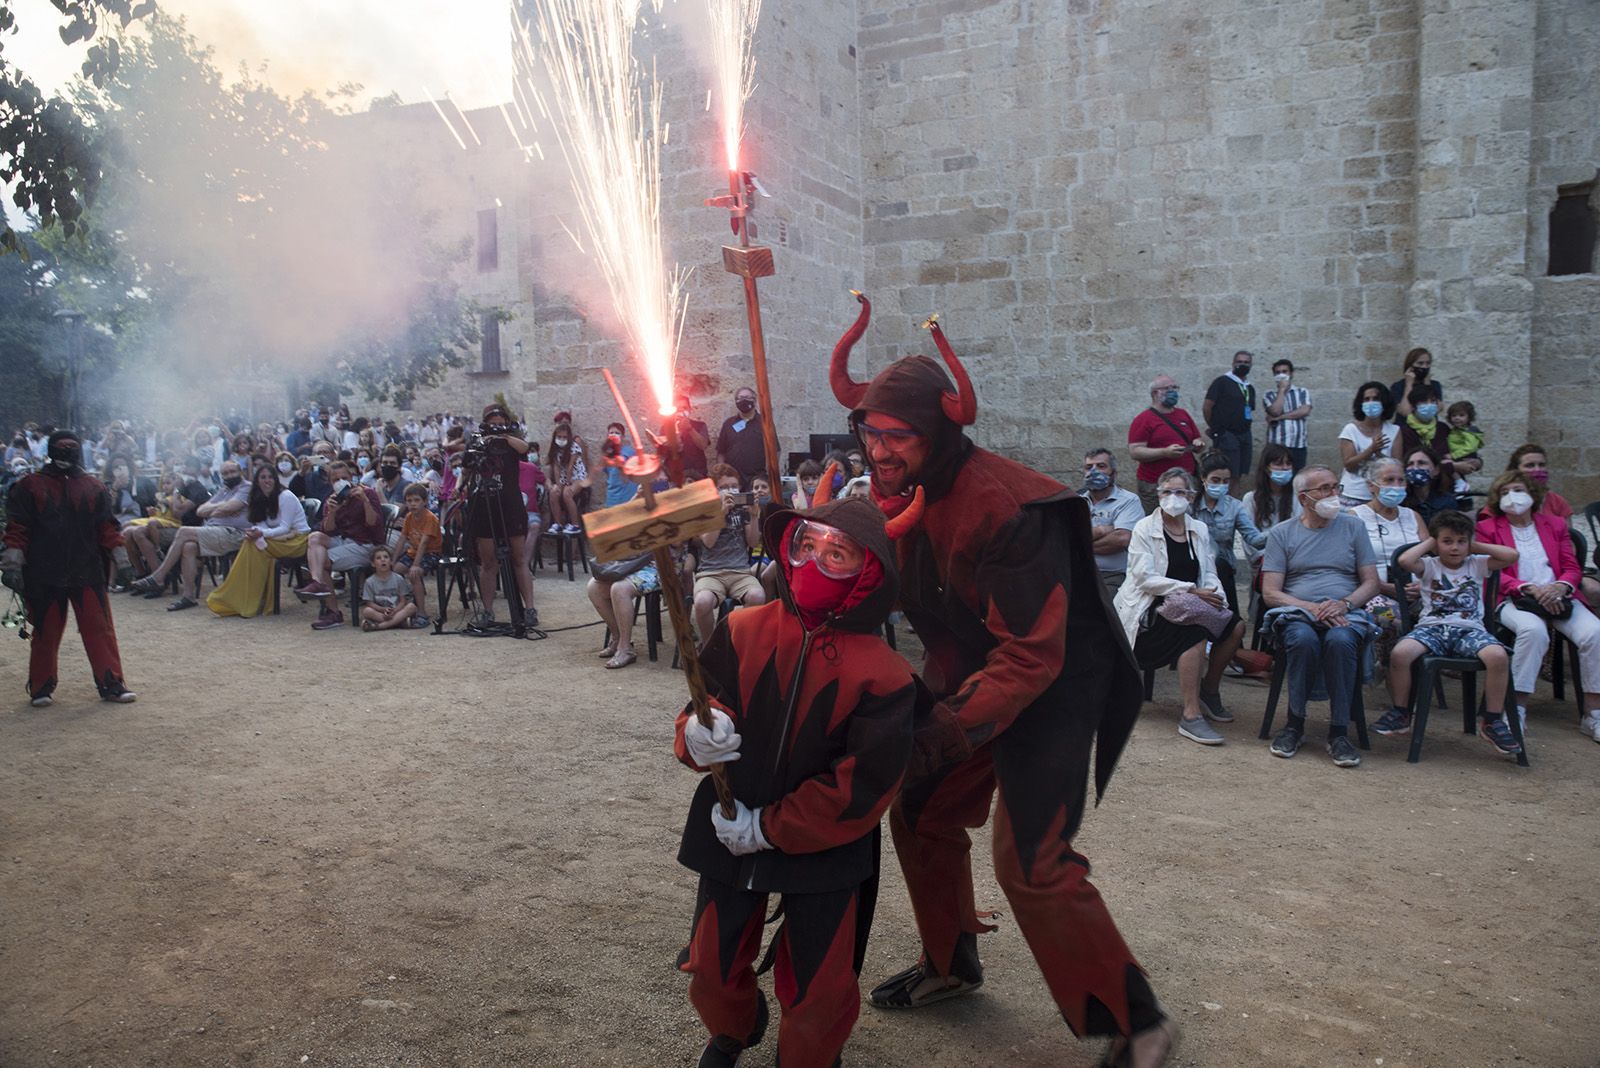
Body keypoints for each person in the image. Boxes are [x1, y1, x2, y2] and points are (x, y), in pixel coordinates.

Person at [826, 295, 1172, 1065]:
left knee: (1032, 861)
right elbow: (880, 600)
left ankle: (1138, 1020)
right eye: (869, 433)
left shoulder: (1007, 508)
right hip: (973, 669)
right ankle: (950, 966)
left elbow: (1031, 655)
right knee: (918, 812)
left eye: (897, 436)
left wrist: (944, 730)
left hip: (1055, 680)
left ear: (941, 432)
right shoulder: (891, 497)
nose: (879, 450)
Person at [675, 496, 916, 1068]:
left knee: (820, 984)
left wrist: (771, 827)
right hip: (729, 824)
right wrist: (696, 734)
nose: (813, 562)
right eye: (806, 546)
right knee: (710, 966)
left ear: (869, 572)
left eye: (837, 554)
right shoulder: (741, 628)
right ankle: (733, 1028)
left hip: (825, 847)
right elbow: (704, 700)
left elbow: (864, 784)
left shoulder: (887, 674)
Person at [1, 430, 136, 705]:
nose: (67, 452)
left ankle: (111, 683)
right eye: (62, 447)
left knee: (99, 628)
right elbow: (18, 529)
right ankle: (41, 687)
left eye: (71, 447)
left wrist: (122, 560)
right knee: (45, 630)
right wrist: (13, 564)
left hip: (86, 568)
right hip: (44, 571)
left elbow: (107, 528)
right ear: (50, 450)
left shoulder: (94, 487)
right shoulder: (29, 486)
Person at [1114, 468, 1248, 745]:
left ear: (1191, 496)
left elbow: (1209, 571)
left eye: (1179, 492)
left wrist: (1214, 595)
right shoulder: (1144, 528)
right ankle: (1190, 715)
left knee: (1236, 626)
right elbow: (1145, 579)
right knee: (1195, 632)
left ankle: (1208, 690)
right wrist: (1191, 590)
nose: (1173, 498)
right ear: (1158, 495)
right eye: (1166, 491)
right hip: (1152, 609)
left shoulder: (1198, 529)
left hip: (1194, 602)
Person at [1260, 465, 1381, 768]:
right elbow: (1271, 592)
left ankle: (1339, 731)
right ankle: (1294, 724)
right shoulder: (1282, 533)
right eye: (1324, 489)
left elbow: (1371, 582)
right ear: (1304, 498)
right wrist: (1310, 608)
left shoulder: (1353, 528)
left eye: (1335, 487)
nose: (1333, 495)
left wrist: (1345, 604)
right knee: (1302, 639)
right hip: (1298, 611)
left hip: (1344, 613)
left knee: (1341, 641)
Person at [1374, 511, 1521, 754]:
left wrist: (1473, 544)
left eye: (1460, 541)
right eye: (1447, 541)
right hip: (1431, 629)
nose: (1455, 548)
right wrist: (1432, 541)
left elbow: (1512, 555)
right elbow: (1405, 561)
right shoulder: (1429, 565)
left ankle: (1492, 720)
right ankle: (1401, 712)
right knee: (1400, 653)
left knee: (1498, 657)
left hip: (1469, 630)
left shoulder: (1478, 564)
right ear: (1436, 543)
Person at [1475, 471, 1600, 740]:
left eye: (1518, 489)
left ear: (1532, 494)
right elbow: (1489, 571)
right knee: (1534, 632)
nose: (1512, 496)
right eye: (1505, 492)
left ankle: (1593, 714)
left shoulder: (1554, 524)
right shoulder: (1487, 528)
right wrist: (1528, 588)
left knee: (1595, 632)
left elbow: (1571, 567)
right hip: (1512, 598)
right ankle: (1515, 709)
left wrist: (1559, 587)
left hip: (1559, 597)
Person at [129, 459, 252, 610]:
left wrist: (218, 509)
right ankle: (188, 597)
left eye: (232, 472)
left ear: (241, 472)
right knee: (188, 547)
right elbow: (201, 511)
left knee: (183, 531)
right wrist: (222, 507)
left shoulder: (247, 487)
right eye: (225, 473)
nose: (229, 475)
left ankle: (159, 577)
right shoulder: (224, 490)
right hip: (215, 531)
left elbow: (231, 506)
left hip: (234, 533)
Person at [464, 405, 538, 630]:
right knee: (488, 562)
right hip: (485, 505)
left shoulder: (511, 443)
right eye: (492, 422)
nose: (496, 425)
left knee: (519, 559)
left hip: (510, 504)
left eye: (500, 421)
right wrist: (483, 443)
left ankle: (530, 609)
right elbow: (467, 465)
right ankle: (487, 611)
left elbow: (525, 448)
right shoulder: (479, 442)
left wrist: (503, 436)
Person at [204, 464, 311, 618]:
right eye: (262, 477)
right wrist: (256, 532)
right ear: (257, 480)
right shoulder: (259, 498)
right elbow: (261, 524)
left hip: (297, 540)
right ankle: (248, 598)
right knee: (252, 543)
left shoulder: (285, 496)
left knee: (254, 544)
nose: (267, 481)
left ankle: (242, 598)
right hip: (276, 540)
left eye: (270, 477)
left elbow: (285, 527)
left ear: (275, 479)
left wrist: (260, 533)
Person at [293, 458, 387, 631]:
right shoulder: (333, 499)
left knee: (323, 562)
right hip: (343, 540)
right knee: (314, 538)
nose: (340, 482)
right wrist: (332, 512)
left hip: (365, 544)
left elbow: (374, 525)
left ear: (351, 477)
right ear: (330, 482)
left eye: (344, 478)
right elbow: (327, 530)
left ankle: (333, 611)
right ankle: (317, 582)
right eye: (335, 480)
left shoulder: (367, 493)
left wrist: (364, 501)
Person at [1351, 457, 1426, 667]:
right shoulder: (1356, 517)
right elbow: (1348, 565)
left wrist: (1423, 585)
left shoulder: (1413, 516)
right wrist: (1383, 587)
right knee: (1390, 618)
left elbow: (1430, 559)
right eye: (1389, 480)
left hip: (1415, 591)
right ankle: (1389, 669)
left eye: (1401, 481)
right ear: (1371, 485)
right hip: (1374, 592)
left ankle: (1422, 671)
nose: (1396, 486)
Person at [692, 464, 765, 647]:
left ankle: (739, 643)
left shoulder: (743, 509)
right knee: (702, 602)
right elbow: (708, 542)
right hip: (710, 572)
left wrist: (754, 516)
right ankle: (709, 646)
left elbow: (753, 542)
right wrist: (722, 512)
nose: (730, 491)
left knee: (757, 596)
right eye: (723, 487)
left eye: (733, 486)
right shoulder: (705, 511)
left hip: (739, 572)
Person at [1193, 451, 1266, 614]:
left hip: (1224, 571)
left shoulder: (1235, 506)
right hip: (1195, 570)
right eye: (1215, 480)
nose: (1221, 485)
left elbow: (1254, 539)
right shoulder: (1190, 506)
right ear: (1203, 478)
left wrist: (1279, 532)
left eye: (1225, 481)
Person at [1127, 374, 1205, 513]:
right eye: (1168, 388)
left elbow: (1195, 438)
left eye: (1175, 387)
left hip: (1185, 483)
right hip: (1155, 485)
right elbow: (1135, 451)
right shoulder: (1144, 419)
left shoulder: (1183, 414)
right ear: (1155, 393)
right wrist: (1164, 452)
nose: (1173, 391)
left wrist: (1197, 444)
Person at [1082, 447, 1143, 592]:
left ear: (1113, 474)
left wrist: (1081, 546)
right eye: (1088, 467)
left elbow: (1121, 539)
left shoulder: (1129, 501)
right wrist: (1104, 529)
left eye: (1101, 466)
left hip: (1114, 576)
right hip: (1080, 571)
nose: (1094, 471)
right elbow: (1066, 538)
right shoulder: (1076, 502)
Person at [1337, 381, 1399, 504]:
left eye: (1376, 399)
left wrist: (1380, 454)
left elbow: (1397, 466)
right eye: (1367, 399)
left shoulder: (1394, 431)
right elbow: (1349, 465)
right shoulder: (1350, 430)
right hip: (1353, 495)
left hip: (1383, 495)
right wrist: (1371, 450)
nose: (1371, 403)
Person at [1203, 350, 1257, 479]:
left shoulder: (1249, 388)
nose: (1242, 365)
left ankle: (1234, 499)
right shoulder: (1222, 382)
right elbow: (1207, 406)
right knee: (1227, 473)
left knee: (1239, 474)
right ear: (1233, 364)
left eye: (1246, 362)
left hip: (1244, 434)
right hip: (1227, 434)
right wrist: (1216, 428)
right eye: (1239, 362)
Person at [394, 483, 442, 626]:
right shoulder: (409, 517)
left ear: (425, 501)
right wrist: (393, 560)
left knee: (414, 574)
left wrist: (415, 565)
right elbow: (402, 539)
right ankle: (404, 604)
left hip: (431, 553)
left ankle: (421, 612)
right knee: (395, 571)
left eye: (416, 500)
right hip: (413, 552)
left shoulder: (430, 518)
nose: (413, 504)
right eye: (409, 501)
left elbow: (424, 543)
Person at [1263, 358, 1313, 471]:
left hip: (1298, 445)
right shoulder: (1269, 395)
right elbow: (1275, 410)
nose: (1281, 375)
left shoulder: (1302, 392)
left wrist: (1280, 417)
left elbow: (1305, 411)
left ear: (1291, 374)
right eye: (1277, 372)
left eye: (1284, 372)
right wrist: (1281, 390)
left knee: (1298, 478)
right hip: (1277, 445)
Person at [1502, 444, 1573, 522]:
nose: (1537, 469)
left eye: (1541, 465)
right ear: (1516, 470)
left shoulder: (1557, 501)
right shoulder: (1503, 500)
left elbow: (1568, 532)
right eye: (1530, 465)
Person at [714, 386, 770, 485]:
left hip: (757, 479)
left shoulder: (765, 423)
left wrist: (768, 473)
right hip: (732, 479)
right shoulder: (728, 424)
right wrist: (722, 474)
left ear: (754, 400)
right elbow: (721, 451)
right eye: (740, 398)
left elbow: (774, 450)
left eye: (747, 397)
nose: (743, 400)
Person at [544, 415, 588, 535]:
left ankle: (575, 524)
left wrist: (568, 484)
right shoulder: (555, 450)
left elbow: (570, 467)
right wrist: (558, 485)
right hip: (563, 479)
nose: (562, 439)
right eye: (559, 437)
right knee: (554, 493)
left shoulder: (574, 447)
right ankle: (558, 523)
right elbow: (556, 468)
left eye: (564, 437)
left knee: (567, 493)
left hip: (577, 477)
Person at [358, 547, 420, 631]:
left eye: (386, 557)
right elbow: (369, 603)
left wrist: (394, 611)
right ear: (373, 563)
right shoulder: (369, 582)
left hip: (397, 610)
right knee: (367, 611)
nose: (383, 560)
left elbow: (403, 601)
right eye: (378, 558)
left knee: (411, 607)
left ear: (390, 561)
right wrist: (382, 610)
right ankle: (398, 622)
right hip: (380, 612)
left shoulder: (398, 579)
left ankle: (379, 626)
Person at [1402, 447, 1457, 522]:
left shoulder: (1447, 502)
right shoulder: (1400, 501)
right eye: (1410, 464)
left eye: (1421, 463)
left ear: (1436, 470)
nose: (1415, 468)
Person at [663, 394, 711, 480]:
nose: (681, 411)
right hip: (676, 477)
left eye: (685, 408)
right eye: (678, 409)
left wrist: (690, 428)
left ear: (690, 409)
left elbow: (703, 445)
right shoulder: (665, 429)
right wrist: (679, 430)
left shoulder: (700, 425)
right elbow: (666, 451)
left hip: (698, 475)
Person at [1390, 347, 1442, 419]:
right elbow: (1405, 412)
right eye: (1420, 363)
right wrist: (1409, 384)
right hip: (1406, 427)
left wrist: (1427, 384)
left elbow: (1437, 409)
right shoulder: (1398, 386)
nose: (1424, 366)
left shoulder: (1434, 384)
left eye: (1428, 363)